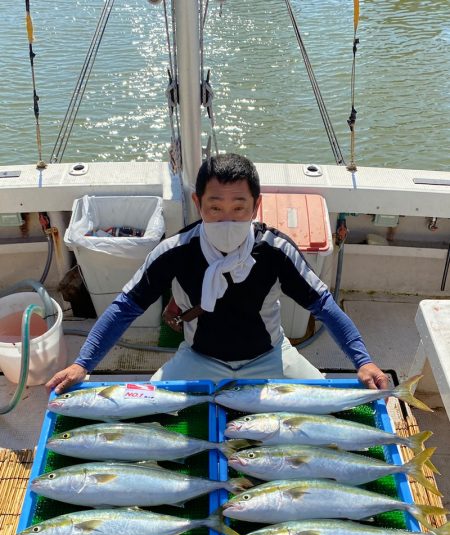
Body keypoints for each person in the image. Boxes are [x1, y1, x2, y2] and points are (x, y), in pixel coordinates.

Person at [47, 153, 388, 394]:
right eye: (215, 207)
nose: (227, 218)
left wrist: (363, 361)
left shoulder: (275, 250)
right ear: (198, 203)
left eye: (239, 208)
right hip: (199, 358)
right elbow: (125, 307)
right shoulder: (174, 251)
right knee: (149, 408)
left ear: (256, 205)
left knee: (324, 407)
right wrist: (83, 364)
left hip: (270, 356)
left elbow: (324, 306)